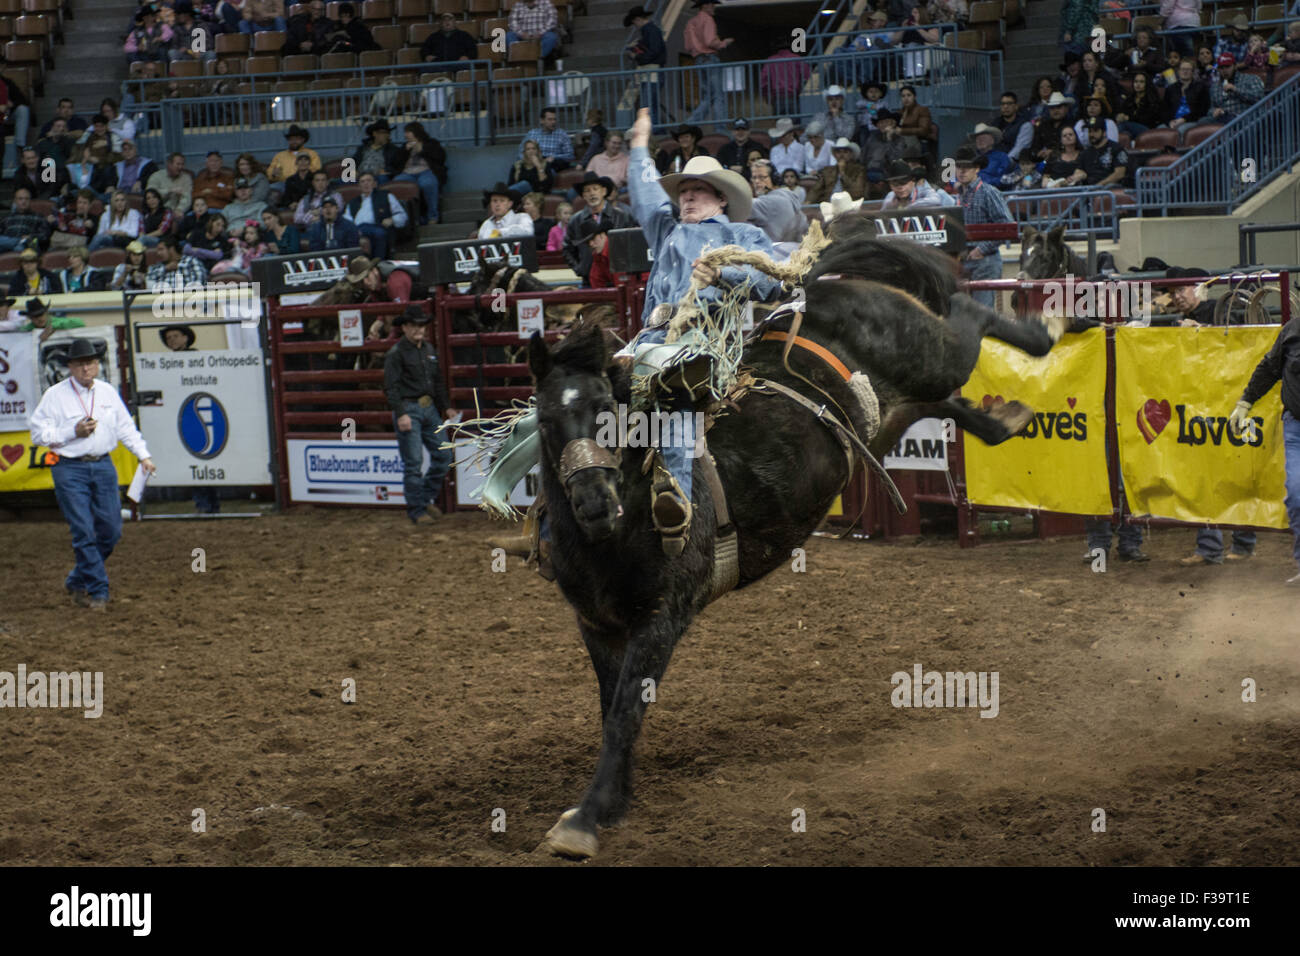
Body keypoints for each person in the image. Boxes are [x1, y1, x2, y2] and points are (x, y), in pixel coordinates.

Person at [614, 107, 778, 549]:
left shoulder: (742, 236)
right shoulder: (665, 229)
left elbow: (771, 281)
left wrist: (723, 275)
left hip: (704, 344)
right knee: (584, 393)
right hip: (649, 340)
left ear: (721, 199)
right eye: (684, 191)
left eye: (699, 191)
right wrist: (638, 144)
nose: (687, 198)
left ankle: (678, 506)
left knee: (677, 396)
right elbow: (646, 192)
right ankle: (567, 512)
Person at [28, 338, 156, 611]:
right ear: (70, 367)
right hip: (69, 468)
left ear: (96, 365)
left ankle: (77, 579)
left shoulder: (107, 392)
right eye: (80, 364)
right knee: (84, 530)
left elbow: (125, 428)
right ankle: (99, 590)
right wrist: (71, 432)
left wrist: (142, 455)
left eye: (91, 363)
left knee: (110, 530)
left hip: (102, 465)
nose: (86, 368)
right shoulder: (55, 395)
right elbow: (38, 434)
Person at [1227, 317, 1300, 583]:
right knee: (1297, 495)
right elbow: (1270, 367)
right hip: (1296, 427)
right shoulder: (1292, 331)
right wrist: (1246, 401)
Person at [383, 307, 454, 525]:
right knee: (414, 462)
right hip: (409, 408)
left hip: (428, 407)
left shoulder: (428, 350)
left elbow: (438, 381)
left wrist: (447, 407)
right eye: (414, 325)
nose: (418, 329)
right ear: (404, 327)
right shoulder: (396, 353)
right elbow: (390, 387)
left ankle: (422, 500)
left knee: (443, 456)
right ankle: (417, 509)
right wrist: (401, 413)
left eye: (421, 325)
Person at [954, 144, 1013, 308]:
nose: (962, 171)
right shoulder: (959, 195)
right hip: (966, 260)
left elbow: (1006, 226)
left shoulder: (988, 192)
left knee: (981, 312)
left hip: (984, 260)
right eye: (959, 167)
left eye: (967, 167)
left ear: (977, 169)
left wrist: (981, 249)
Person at [563, 173, 635, 285]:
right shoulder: (575, 220)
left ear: (604, 191)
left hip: (619, 277)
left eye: (595, 189)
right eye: (587, 190)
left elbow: (632, 245)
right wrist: (580, 268)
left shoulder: (623, 216)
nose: (591, 193)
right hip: (588, 279)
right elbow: (567, 249)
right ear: (583, 195)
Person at [683, 0, 734, 131]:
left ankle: (691, 122)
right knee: (718, 96)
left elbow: (688, 46)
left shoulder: (690, 22)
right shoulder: (708, 19)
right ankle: (720, 128)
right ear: (705, 5)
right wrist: (724, 43)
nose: (713, 7)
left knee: (708, 95)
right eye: (711, 4)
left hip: (698, 60)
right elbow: (710, 41)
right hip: (710, 58)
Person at [343, 171, 407, 260]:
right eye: (362, 181)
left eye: (369, 180)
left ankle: (378, 263)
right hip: (358, 229)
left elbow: (402, 215)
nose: (366, 184)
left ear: (375, 183)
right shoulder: (353, 202)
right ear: (359, 186)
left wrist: (392, 219)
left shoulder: (386, 196)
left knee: (379, 234)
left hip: (377, 227)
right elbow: (347, 220)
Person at [393, 123, 446, 227]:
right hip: (408, 173)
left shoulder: (431, 143)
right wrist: (405, 151)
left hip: (426, 171)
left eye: (408, 132)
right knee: (396, 184)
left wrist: (422, 150)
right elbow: (396, 162)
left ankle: (433, 216)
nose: (405, 135)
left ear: (416, 133)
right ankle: (405, 218)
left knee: (428, 184)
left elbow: (440, 157)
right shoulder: (405, 145)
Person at [746, 159, 806, 246]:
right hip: (793, 249)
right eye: (754, 177)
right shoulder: (787, 194)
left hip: (778, 253)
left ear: (774, 178)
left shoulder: (770, 201)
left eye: (762, 177)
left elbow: (739, 206)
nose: (757, 181)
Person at [625, 6, 666, 123]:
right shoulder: (651, 31)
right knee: (650, 104)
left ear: (638, 19)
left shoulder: (650, 31)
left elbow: (654, 51)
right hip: (652, 71)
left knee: (648, 104)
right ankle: (656, 129)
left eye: (634, 23)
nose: (635, 26)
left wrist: (637, 56)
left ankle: (654, 130)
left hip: (652, 71)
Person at [1206, 53, 1265, 123]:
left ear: (1235, 66)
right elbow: (1211, 108)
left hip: (1245, 119)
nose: (1224, 70)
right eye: (1221, 68)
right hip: (1222, 120)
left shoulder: (1250, 79)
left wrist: (1235, 89)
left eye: (1227, 67)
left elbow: (1259, 98)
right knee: (1201, 122)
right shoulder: (1214, 87)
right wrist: (1214, 111)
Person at [806, 137, 867, 203]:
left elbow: (857, 192)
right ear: (835, 155)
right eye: (838, 152)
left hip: (850, 204)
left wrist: (843, 174)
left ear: (851, 155)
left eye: (845, 152)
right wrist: (808, 201)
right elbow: (815, 190)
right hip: (829, 204)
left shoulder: (859, 170)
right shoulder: (827, 171)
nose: (841, 155)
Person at [267, 125, 322, 195]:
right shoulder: (280, 156)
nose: (294, 141)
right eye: (291, 139)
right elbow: (270, 173)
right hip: (284, 184)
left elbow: (317, 169)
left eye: (297, 139)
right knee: (269, 189)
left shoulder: (311, 154)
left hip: (305, 183)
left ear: (302, 140)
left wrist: (302, 173)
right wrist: (274, 174)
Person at [880, 159, 955, 208]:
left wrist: (909, 207)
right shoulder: (891, 196)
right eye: (895, 184)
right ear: (890, 185)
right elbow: (883, 216)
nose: (900, 187)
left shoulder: (924, 191)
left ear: (912, 181)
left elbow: (935, 200)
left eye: (903, 182)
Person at [1079, 116, 1129, 187]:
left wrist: (1099, 186)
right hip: (1088, 190)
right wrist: (1076, 176)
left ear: (1104, 132)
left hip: (1110, 191)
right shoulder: (1085, 153)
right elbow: (1079, 170)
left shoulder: (1117, 149)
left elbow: (1119, 174)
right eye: (1090, 131)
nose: (1091, 134)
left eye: (1095, 131)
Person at [1163, 59, 1209, 131]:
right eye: (1183, 69)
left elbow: (1202, 111)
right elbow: (1165, 109)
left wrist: (1184, 119)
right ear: (1178, 71)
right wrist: (1169, 121)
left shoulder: (1201, 87)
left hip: (1191, 121)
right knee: (1160, 129)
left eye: (1188, 69)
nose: (1185, 71)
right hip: (1173, 121)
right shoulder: (1170, 88)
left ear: (1193, 72)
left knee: (1181, 129)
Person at [0, 187, 51, 252]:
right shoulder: (7, 218)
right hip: (8, 245)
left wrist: (30, 237)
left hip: (29, 244)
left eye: (26, 199)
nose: (23, 201)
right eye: (20, 199)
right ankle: (18, 241)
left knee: (19, 248)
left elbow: (45, 236)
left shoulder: (39, 217)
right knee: (16, 247)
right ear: (15, 201)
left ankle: (18, 241)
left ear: (30, 201)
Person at [353, 118, 404, 182]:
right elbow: (353, 161)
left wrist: (386, 170)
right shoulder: (363, 147)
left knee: (382, 178)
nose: (386, 135)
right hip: (360, 175)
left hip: (377, 176)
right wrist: (353, 170)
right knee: (343, 181)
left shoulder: (393, 150)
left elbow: (398, 167)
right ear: (374, 133)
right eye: (383, 133)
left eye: (387, 133)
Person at [576, 218, 616, 288]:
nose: (591, 244)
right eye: (588, 242)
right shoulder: (597, 258)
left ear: (602, 235)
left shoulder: (617, 250)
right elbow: (596, 281)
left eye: (593, 238)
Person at [16, 298, 84, 339]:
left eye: (41, 314)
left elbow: (80, 323)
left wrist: (53, 326)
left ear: (46, 313)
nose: (39, 318)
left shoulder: (57, 321)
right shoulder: (28, 329)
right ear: (30, 318)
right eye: (35, 316)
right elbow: (19, 334)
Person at [970, 123, 1013, 188]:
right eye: (977, 138)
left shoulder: (1001, 157)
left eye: (983, 137)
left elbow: (1003, 180)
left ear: (992, 140)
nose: (980, 140)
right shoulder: (970, 157)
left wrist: (981, 183)